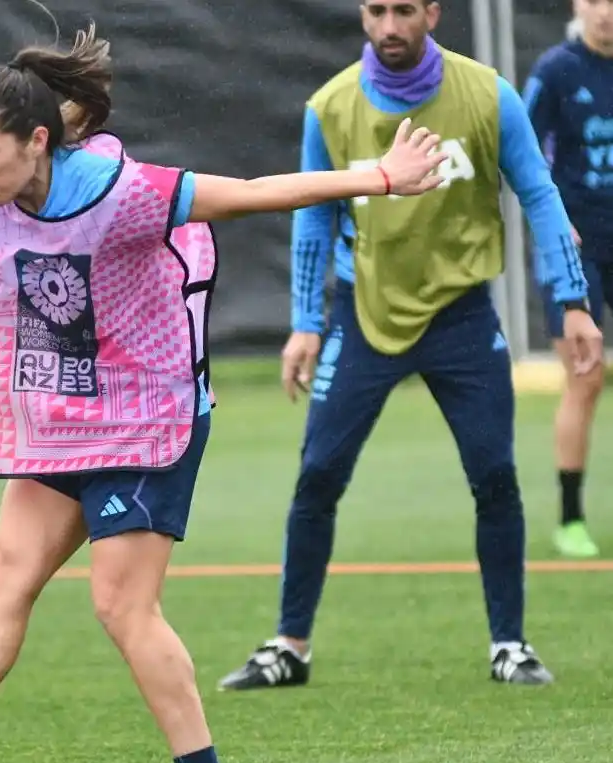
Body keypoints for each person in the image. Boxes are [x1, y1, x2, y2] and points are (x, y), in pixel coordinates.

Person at [0, 22, 446, 763]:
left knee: (121, 604)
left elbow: (257, 190)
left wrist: (380, 176)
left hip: (150, 416)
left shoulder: (123, 190)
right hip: (61, 415)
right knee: (7, 579)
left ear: (37, 140)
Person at [217, 0, 603, 694]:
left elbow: (539, 196)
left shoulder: (487, 94)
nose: (388, 26)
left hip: (460, 318)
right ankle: (289, 645)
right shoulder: (330, 107)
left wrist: (571, 302)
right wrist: (305, 321)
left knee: (493, 476)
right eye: (374, 10)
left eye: (403, 10)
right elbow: (311, 220)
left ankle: (508, 644)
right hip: (363, 316)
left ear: (431, 12)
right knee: (318, 474)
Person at [524, 1, 613, 559]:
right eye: (596, 0)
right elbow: (521, 150)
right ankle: (571, 516)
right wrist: (551, 225)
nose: (606, 13)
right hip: (575, 248)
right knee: (585, 376)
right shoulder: (556, 71)